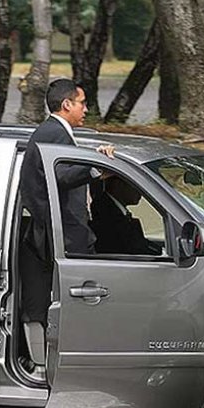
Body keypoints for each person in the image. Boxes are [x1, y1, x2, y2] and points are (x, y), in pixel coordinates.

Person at [19, 79, 114, 373]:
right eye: (83, 103)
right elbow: (60, 176)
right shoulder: (54, 134)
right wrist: (96, 165)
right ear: (66, 105)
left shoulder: (57, 133)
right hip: (59, 238)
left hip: (61, 234)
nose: (86, 109)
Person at [90, 176, 161, 256]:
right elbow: (134, 248)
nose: (140, 192)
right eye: (135, 185)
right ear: (118, 185)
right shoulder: (109, 217)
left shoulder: (114, 211)